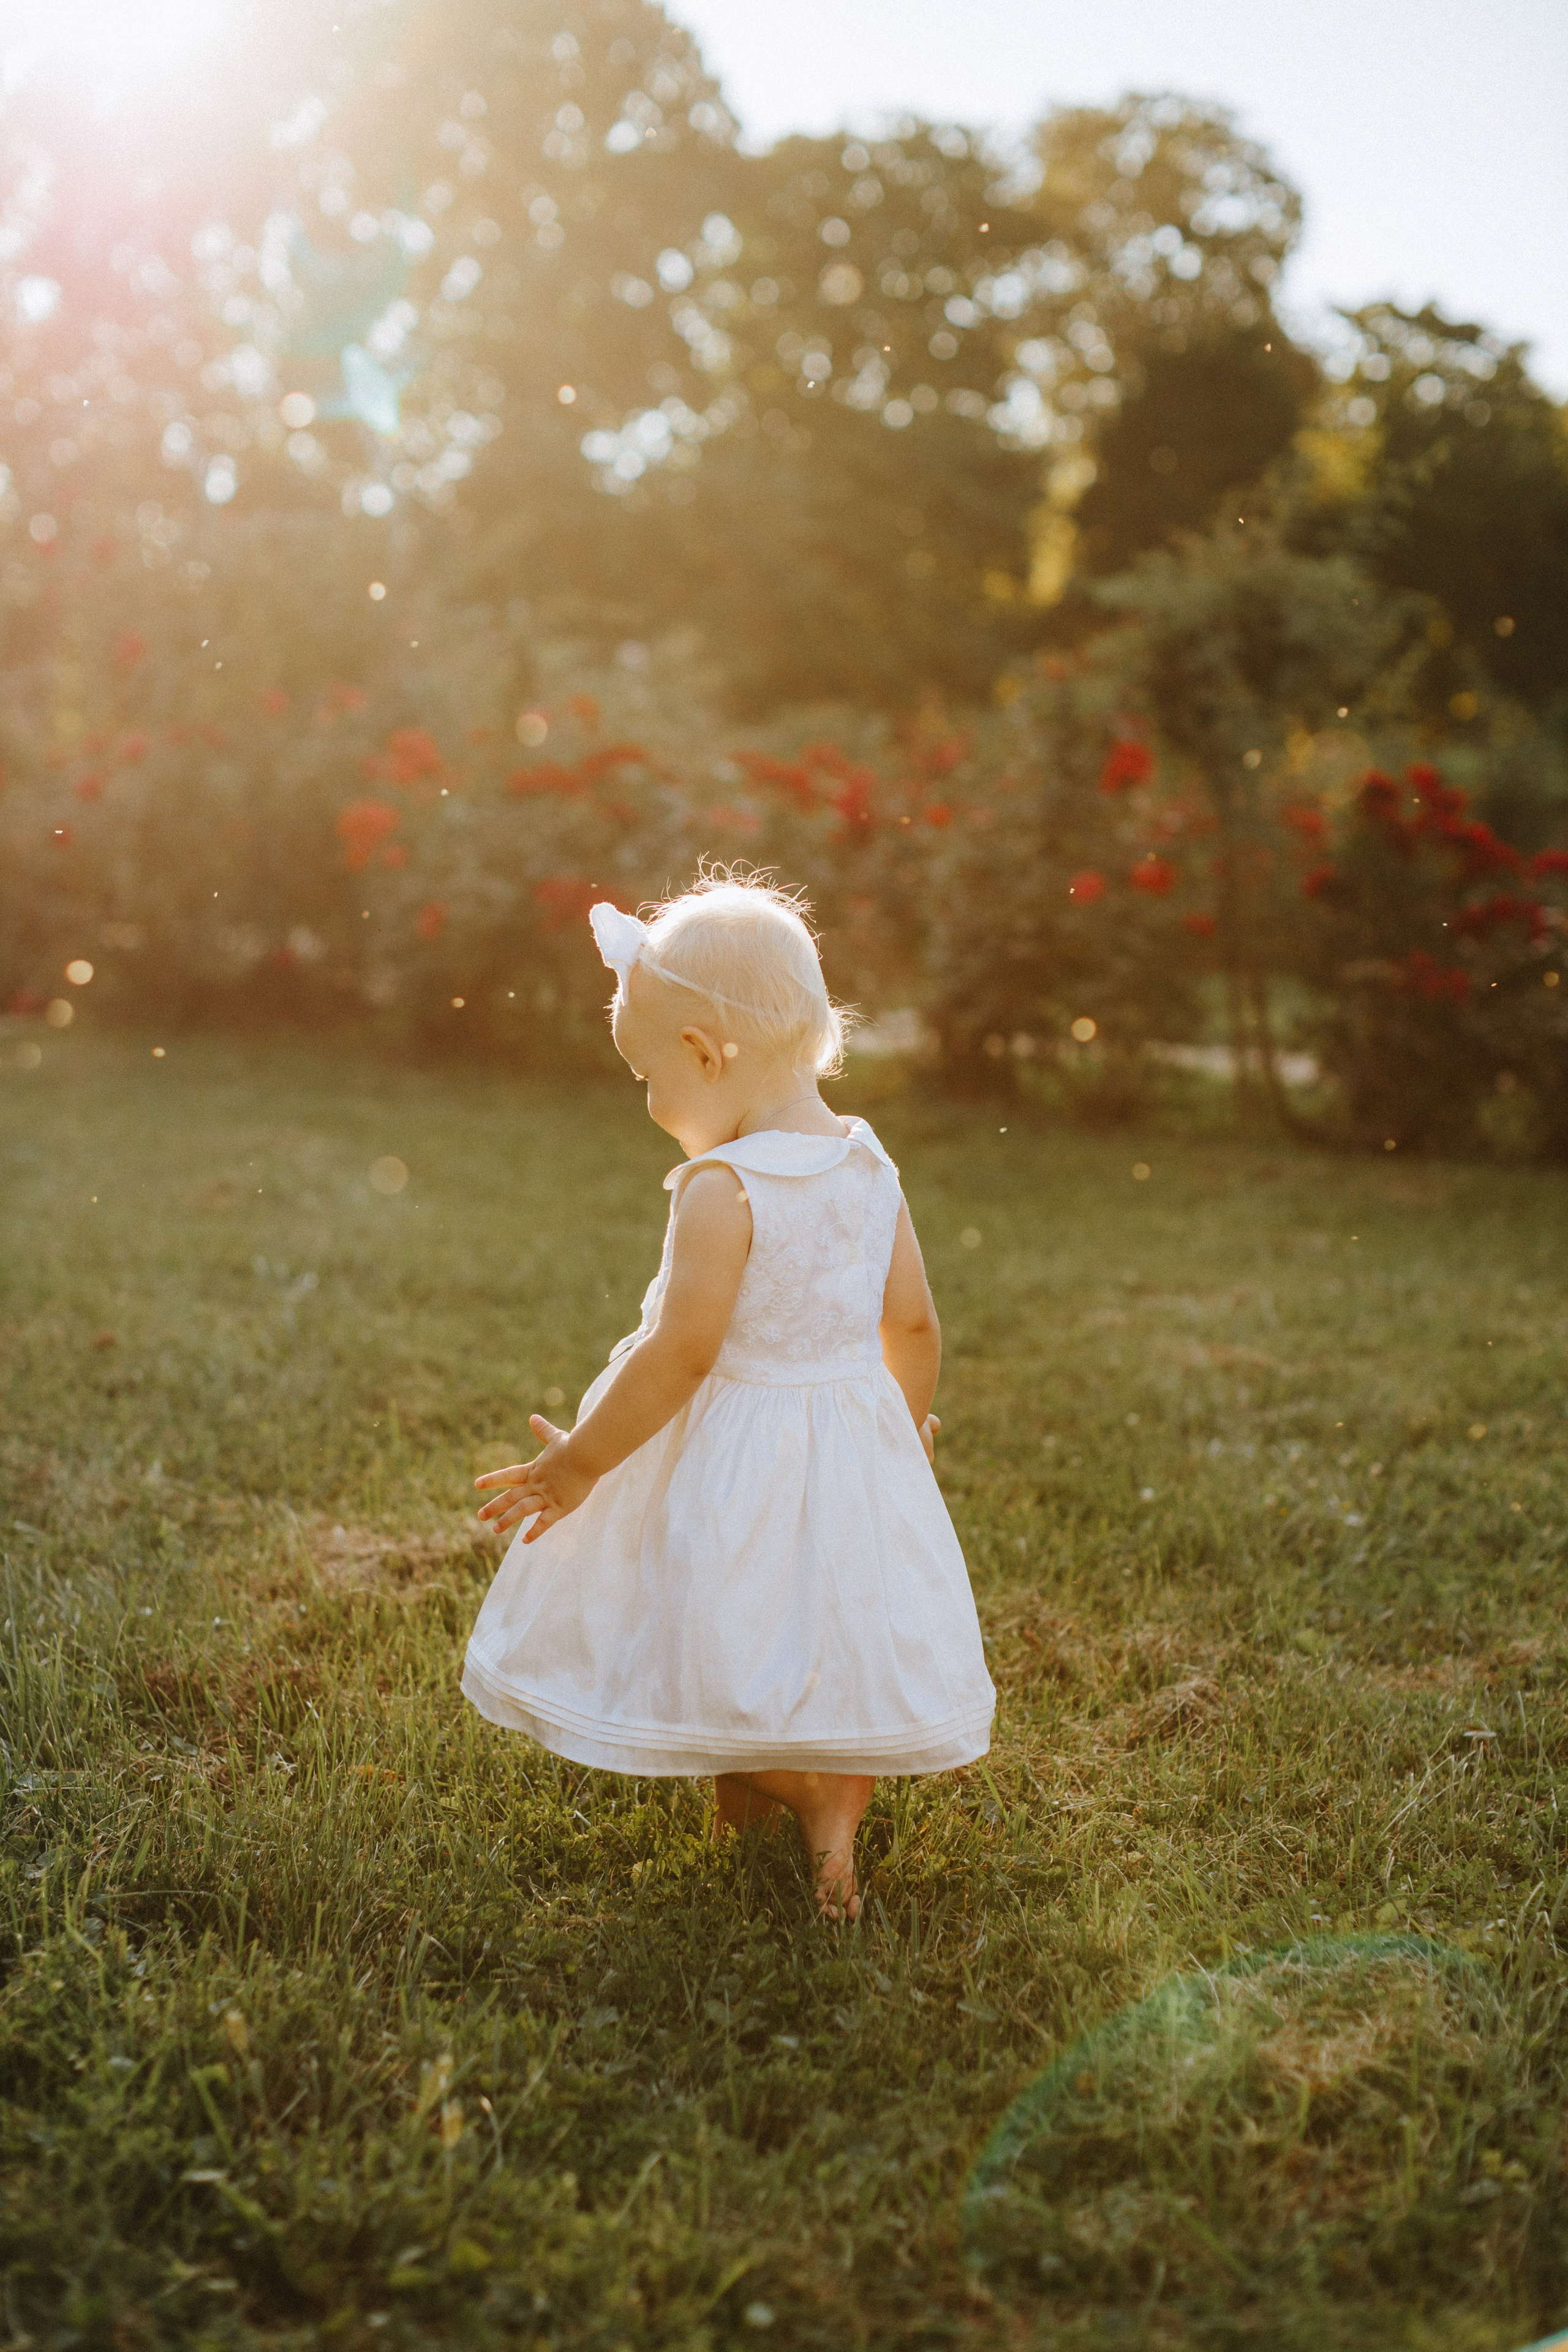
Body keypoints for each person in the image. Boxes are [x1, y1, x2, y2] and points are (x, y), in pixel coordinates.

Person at [463, 871, 994, 1920]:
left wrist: (580, 1461)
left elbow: (684, 1351)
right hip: (848, 1436)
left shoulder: (724, 1188)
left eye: (648, 1077)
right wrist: (903, 1427)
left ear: (707, 1055)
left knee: (719, 1613)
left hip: (736, 1446)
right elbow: (917, 1325)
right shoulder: (868, 1165)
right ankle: (800, 1802)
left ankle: (795, 1784)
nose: (650, 1103)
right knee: (818, 1615)